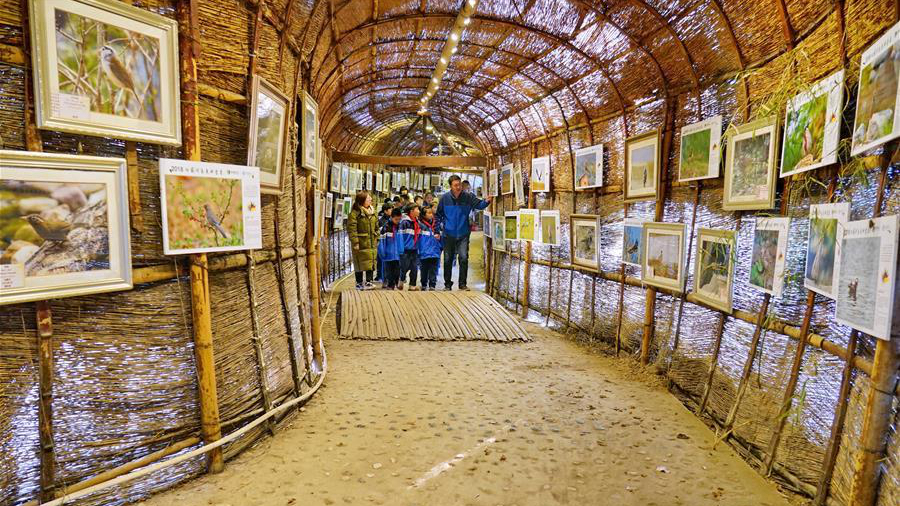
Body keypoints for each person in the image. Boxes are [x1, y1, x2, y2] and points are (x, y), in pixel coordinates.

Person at [436, 175, 491, 291]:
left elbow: (479, 205)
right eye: (456, 185)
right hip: (448, 234)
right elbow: (438, 215)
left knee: (464, 258)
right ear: (450, 186)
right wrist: (439, 228)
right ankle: (447, 284)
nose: (458, 187)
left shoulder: (468, 196)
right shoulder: (444, 198)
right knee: (447, 259)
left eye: (459, 184)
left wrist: (487, 201)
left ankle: (462, 284)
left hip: (463, 233)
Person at [347, 191, 379, 290]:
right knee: (359, 262)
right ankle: (359, 283)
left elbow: (377, 226)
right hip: (361, 242)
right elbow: (352, 229)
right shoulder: (355, 213)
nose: (370, 199)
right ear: (362, 201)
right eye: (368, 198)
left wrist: (377, 236)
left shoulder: (373, 212)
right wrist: (355, 242)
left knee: (371, 261)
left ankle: (369, 281)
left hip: (371, 242)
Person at [417, 205, 442, 290]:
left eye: (432, 213)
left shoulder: (437, 224)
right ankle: (424, 284)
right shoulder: (419, 224)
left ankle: (432, 285)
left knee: (433, 269)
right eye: (429, 213)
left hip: (435, 250)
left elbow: (441, 236)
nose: (431, 215)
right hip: (424, 251)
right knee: (424, 269)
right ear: (423, 215)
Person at [379, 208, 403, 289]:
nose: (398, 221)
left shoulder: (400, 227)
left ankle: (395, 283)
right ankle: (390, 285)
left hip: (398, 255)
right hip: (388, 254)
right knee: (389, 272)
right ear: (391, 217)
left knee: (397, 271)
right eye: (396, 219)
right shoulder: (385, 227)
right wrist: (382, 252)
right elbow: (381, 241)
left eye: (399, 219)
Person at [399, 203, 421, 291]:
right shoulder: (404, 222)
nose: (419, 211)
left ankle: (412, 284)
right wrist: (401, 249)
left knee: (414, 267)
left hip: (415, 249)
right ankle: (401, 279)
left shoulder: (417, 222)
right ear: (411, 211)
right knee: (404, 267)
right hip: (405, 249)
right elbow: (400, 236)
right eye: (417, 209)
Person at [375, 202, 393, 283]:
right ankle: (380, 276)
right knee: (380, 260)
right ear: (385, 211)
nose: (392, 210)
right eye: (390, 209)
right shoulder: (381, 221)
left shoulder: (392, 220)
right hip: (382, 243)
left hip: (390, 244)